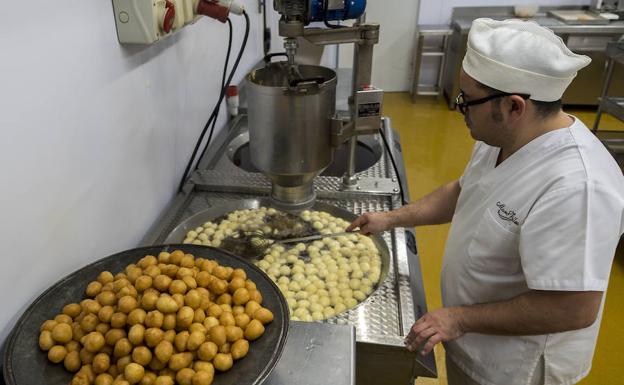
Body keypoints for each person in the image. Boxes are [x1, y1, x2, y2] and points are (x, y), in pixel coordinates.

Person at [347, 18, 624, 385]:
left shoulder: (577, 187)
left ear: (514, 106)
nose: (460, 108)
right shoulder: (503, 136)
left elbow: (574, 308)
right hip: (470, 344)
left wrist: (458, 318)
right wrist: (391, 218)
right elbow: (464, 191)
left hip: (514, 369)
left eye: (467, 101)